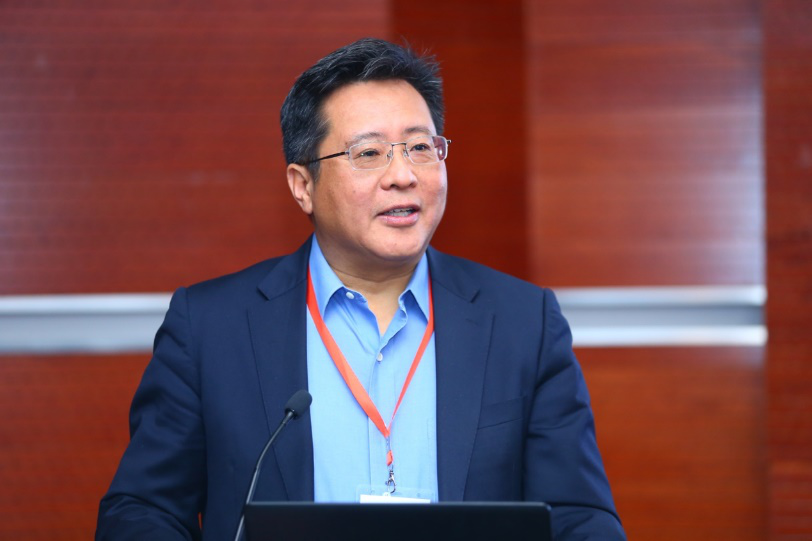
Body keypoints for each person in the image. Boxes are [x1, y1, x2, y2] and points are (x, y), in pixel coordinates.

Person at [97, 38, 625, 540]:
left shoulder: (523, 323)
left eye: (420, 147)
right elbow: (143, 510)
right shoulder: (211, 328)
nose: (403, 175)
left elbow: (580, 517)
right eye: (369, 153)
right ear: (303, 186)